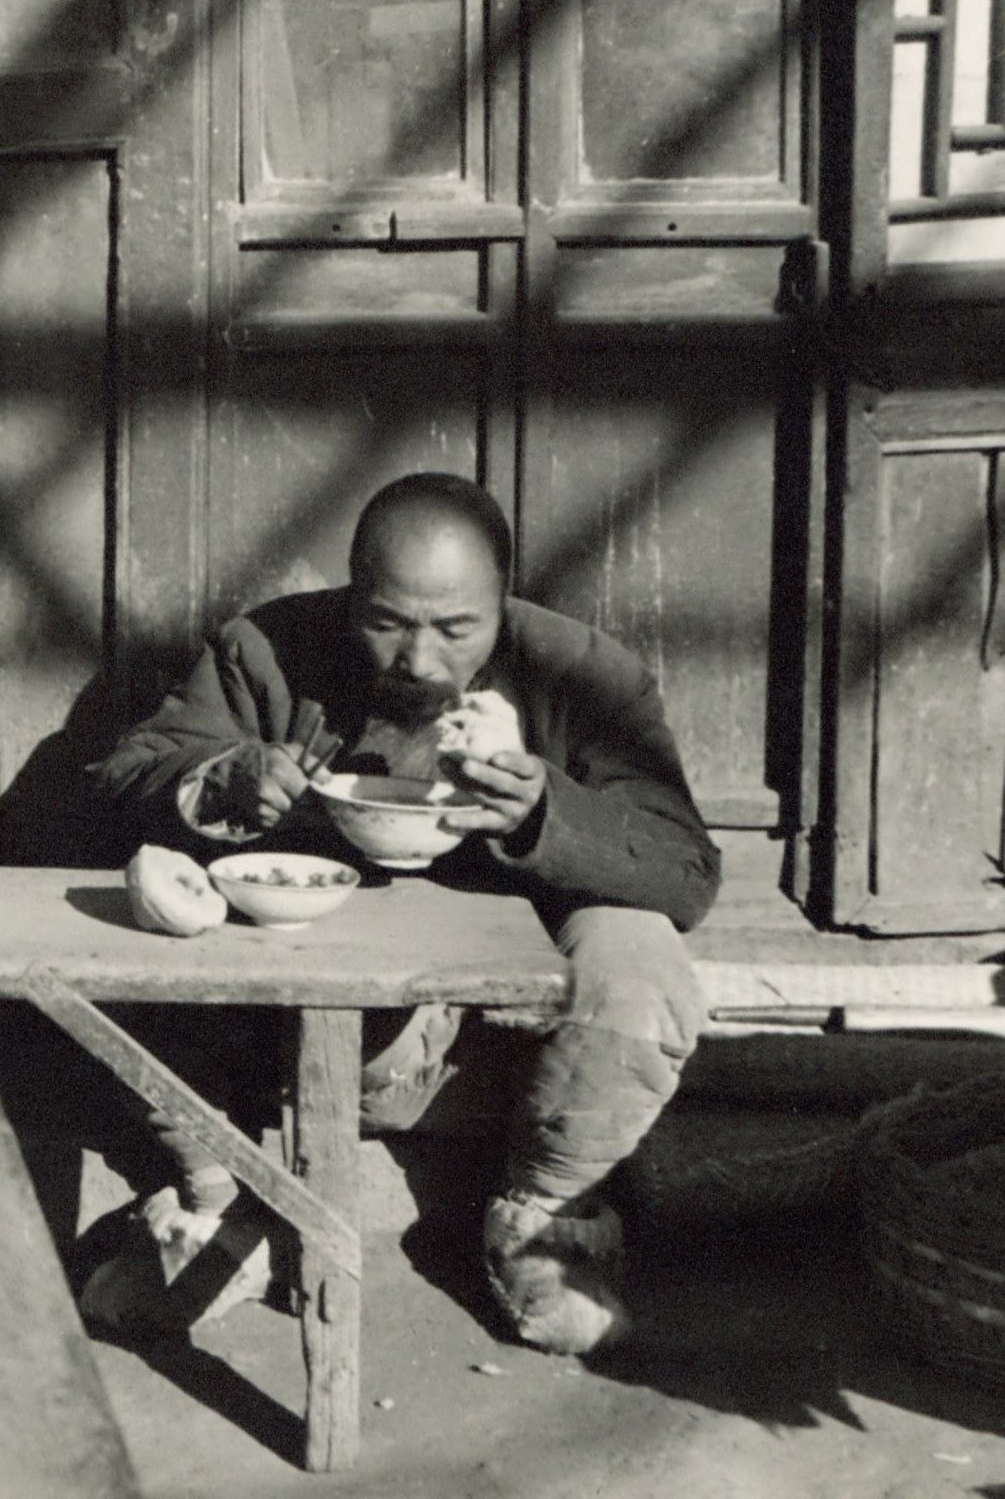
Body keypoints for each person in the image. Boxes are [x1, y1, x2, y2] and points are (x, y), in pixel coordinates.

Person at [86, 471, 717, 1354]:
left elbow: (686, 868)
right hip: (295, 1033)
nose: (419, 662)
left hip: (503, 1056)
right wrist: (222, 780)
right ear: (352, 597)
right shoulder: (269, 652)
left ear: (504, 603)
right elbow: (126, 778)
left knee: (639, 951)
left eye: (457, 630)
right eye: (387, 624)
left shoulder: (584, 677)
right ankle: (222, 1211)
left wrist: (546, 812)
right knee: (144, 910)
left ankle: (542, 1222)